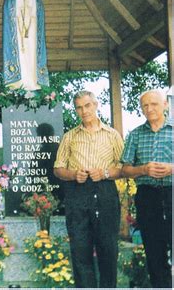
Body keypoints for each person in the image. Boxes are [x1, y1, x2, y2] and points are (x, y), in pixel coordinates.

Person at [54, 90, 124, 288]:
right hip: (77, 194)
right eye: (79, 107)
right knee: (80, 250)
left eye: (87, 106)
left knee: (108, 249)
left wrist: (105, 173)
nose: (84, 111)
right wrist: (74, 175)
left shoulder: (112, 135)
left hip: (105, 192)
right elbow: (58, 169)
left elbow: (124, 167)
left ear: (95, 105)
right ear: (75, 110)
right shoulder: (69, 137)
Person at [121, 89, 172, 288]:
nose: (149, 109)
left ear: (165, 105)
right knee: (154, 250)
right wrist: (143, 169)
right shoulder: (135, 135)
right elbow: (125, 169)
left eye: (154, 104)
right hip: (147, 197)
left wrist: (171, 168)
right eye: (145, 105)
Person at [2, 0, 49, 91]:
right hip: (16, 27)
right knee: (20, 53)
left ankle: (33, 83)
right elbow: (8, 8)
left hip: (32, 29)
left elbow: (38, 10)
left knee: (32, 52)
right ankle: (19, 83)